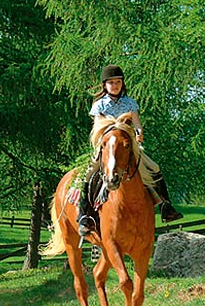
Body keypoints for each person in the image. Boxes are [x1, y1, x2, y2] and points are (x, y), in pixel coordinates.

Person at [76, 64, 183, 236]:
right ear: (104, 85)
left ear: (122, 83)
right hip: (106, 147)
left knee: (154, 168)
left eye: (118, 81)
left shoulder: (130, 102)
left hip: (128, 147)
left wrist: (139, 133)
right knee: (88, 174)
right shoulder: (99, 105)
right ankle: (85, 216)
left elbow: (137, 124)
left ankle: (166, 207)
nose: (115, 85)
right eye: (111, 82)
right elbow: (97, 128)